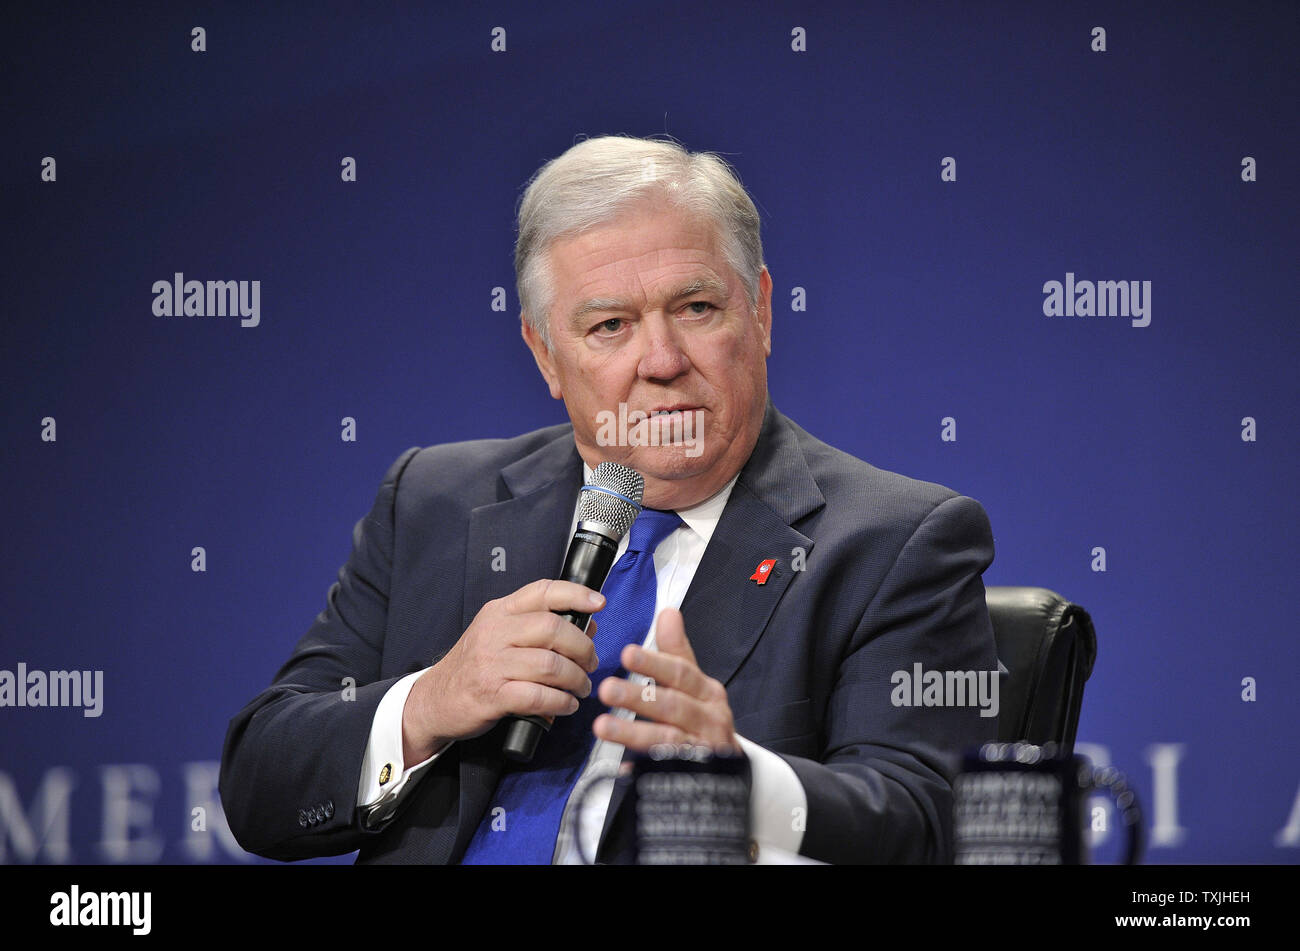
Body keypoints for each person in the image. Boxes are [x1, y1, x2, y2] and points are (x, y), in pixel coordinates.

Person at [219, 134, 999, 865]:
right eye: (610, 326)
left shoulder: (893, 541)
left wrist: (739, 778)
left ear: (759, 311)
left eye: (696, 308)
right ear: (545, 354)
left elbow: (927, 822)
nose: (660, 360)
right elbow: (261, 781)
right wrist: (430, 700)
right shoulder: (433, 502)